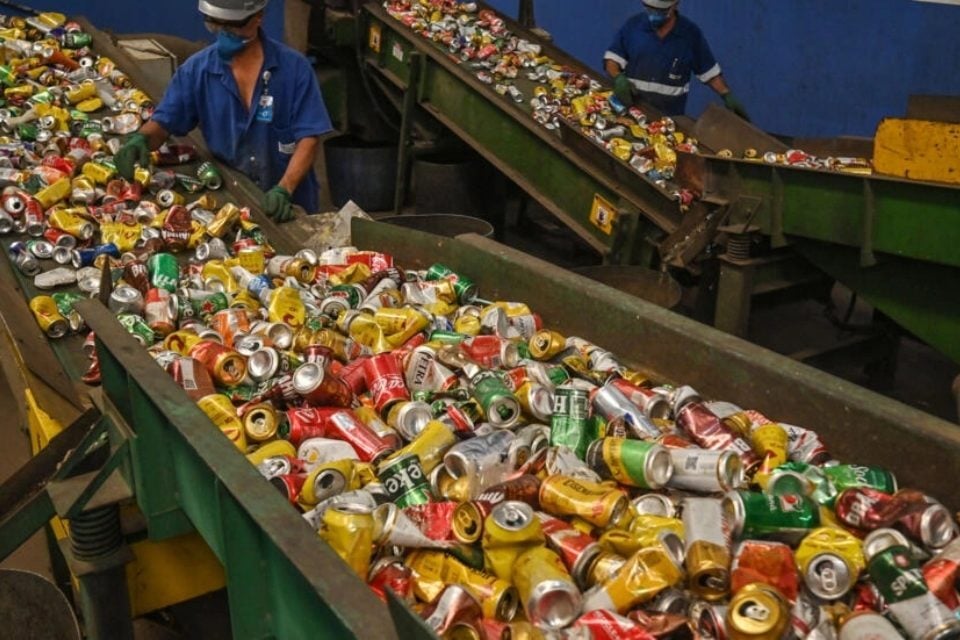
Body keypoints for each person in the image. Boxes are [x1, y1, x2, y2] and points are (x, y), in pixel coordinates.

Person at [114, 0, 333, 222]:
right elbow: (164, 122)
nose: (225, 34)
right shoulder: (197, 71)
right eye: (217, 26)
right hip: (231, 201)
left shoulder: (294, 69)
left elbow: (308, 138)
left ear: (259, 17)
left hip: (290, 203)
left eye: (233, 26)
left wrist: (285, 188)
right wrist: (141, 140)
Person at [604, 0, 749, 121]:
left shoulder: (690, 35)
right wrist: (618, 77)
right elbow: (612, 59)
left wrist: (726, 94)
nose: (653, 15)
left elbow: (708, 72)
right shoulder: (633, 26)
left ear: (674, 5)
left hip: (669, 119)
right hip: (631, 112)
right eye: (649, 9)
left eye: (660, 11)